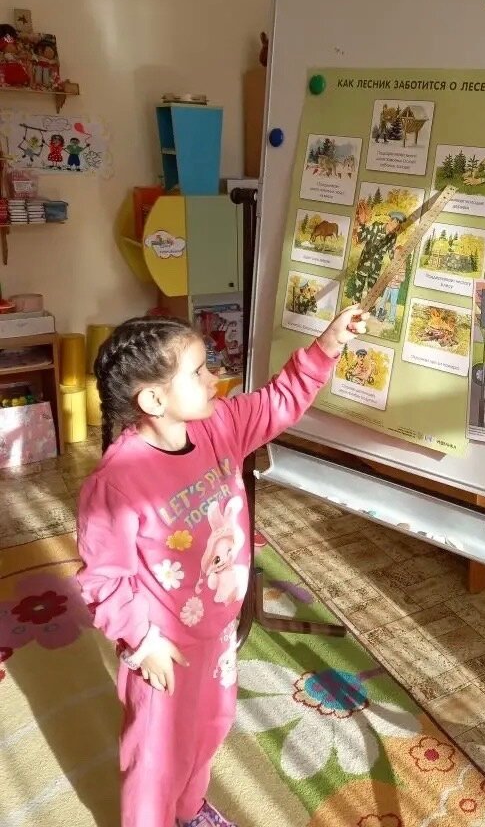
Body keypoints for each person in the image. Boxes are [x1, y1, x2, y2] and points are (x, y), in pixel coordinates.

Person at [76, 306, 367, 827]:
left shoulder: (219, 425)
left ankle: (188, 811)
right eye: (198, 372)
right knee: (156, 758)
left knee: (210, 729)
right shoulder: (117, 482)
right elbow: (105, 579)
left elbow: (279, 401)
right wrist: (143, 643)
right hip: (163, 648)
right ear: (153, 400)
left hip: (218, 631)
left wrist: (328, 344)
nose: (215, 377)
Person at [345, 206, 405, 304]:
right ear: (389, 221)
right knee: (357, 293)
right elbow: (361, 237)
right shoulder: (376, 226)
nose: (394, 228)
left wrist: (398, 259)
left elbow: (391, 252)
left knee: (371, 295)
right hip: (364, 266)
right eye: (393, 224)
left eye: (397, 227)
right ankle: (354, 310)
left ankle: (368, 310)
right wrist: (362, 223)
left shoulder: (393, 236)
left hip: (375, 269)